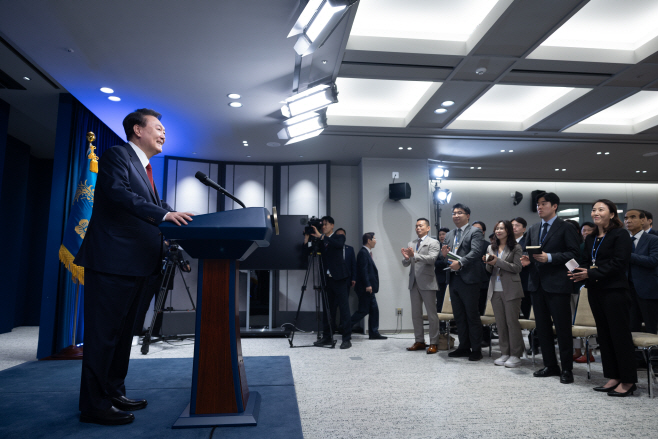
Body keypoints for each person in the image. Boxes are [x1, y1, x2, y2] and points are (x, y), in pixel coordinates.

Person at [74, 109, 194, 425]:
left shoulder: (146, 169)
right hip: (113, 263)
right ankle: (94, 405)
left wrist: (179, 217)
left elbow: (156, 207)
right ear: (137, 130)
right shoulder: (118, 155)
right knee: (104, 336)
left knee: (123, 335)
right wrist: (164, 215)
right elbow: (117, 194)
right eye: (158, 127)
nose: (163, 133)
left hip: (139, 265)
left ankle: (113, 391)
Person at [569, 199, 637, 396]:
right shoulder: (591, 237)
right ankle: (613, 376)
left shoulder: (620, 234)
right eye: (593, 210)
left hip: (615, 291)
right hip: (595, 291)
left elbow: (619, 263)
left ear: (612, 214)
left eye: (601, 209)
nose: (595, 213)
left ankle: (628, 380)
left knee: (619, 336)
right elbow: (585, 261)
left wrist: (590, 273)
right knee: (605, 336)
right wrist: (578, 271)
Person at [521, 192, 580, 384]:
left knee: (562, 329)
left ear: (555, 206)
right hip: (537, 284)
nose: (539, 207)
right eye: (538, 204)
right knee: (543, 328)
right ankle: (550, 365)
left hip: (558, 284)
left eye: (544, 204)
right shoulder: (533, 228)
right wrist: (525, 259)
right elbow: (527, 251)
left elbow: (573, 254)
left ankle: (567, 369)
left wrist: (551, 257)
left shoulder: (566, 227)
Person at [437, 204, 484, 361]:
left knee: (472, 315)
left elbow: (476, 252)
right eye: (454, 213)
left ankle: (476, 349)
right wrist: (444, 255)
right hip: (454, 279)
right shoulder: (450, 234)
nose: (456, 215)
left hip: (469, 279)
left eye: (459, 213)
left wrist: (461, 263)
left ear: (468, 215)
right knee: (458, 316)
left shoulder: (475, 231)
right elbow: (448, 256)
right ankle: (463, 346)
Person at [484, 221, 524, 368]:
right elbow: (490, 270)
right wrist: (488, 263)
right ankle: (505, 353)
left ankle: (515, 354)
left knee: (511, 323)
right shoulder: (490, 247)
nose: (499, 231)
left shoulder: (516, 247)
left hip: (511, 289)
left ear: (508, 230)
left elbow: (517, 268)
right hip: (495, 289)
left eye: (502, 228)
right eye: (497, 228)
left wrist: (497, 261)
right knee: (500, 323)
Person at [309, 216, 352, 349]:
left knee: (344, 309)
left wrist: (321, 237)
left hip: (340, 278)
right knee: (328, 310)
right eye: (322, 225)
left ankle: (346, 339)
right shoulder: (322, 240)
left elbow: (338, 245)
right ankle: (327, 337)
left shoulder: (339, 236)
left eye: (326, 225)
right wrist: (308, 238)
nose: (324, 227)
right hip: (327, 280)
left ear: (332, 225)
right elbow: (311, 252)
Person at [401, 218, 441, 354]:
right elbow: (407, 263)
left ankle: (434, 342)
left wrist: (415, 255)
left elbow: (432, 259)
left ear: (428, 228)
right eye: (416, 226)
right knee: (416, 314)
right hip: (414, 282)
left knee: (432, 315)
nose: (418, 228)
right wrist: (406, 258)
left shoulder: (434, 242)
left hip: (428, 282)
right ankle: (419, 341)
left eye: (421, 226)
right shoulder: (411, 243)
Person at [624, 209, 658, 334]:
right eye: (626, 218)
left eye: (633, 217)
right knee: (632, 327)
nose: (628, 221)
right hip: (627, 290)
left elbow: (653, 261)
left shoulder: (653, 239)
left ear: (643, 220)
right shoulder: (623, 240)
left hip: (648, 290)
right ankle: (636, 354)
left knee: (651, 328)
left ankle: (654, 354)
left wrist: (628, 255)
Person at [350, 232, 387, 339]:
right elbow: (363, 271)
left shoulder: (367, 253)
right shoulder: (363, 253)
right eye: (374, 239)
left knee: (374, 310)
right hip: (365, 288)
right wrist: (368, 285)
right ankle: (345, 326)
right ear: (369, 241)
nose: (375, 241)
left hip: (369, 288)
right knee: (363, 310)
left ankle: (374, 332)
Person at [472, 221, 492, 347]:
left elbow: (490, 264)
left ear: (483, 232)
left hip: (483, 282)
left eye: (479, 230)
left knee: (482, 311)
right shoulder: (468, 244)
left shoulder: (488, 246)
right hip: (469, 282)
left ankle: (485, 337)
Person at [335, 228, 356, 333]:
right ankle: (332, 328)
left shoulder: (350, 249)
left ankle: (342, 327)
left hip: (346, 280)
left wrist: (353, 278)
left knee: (344, 305)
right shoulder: (332, 248)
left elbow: (353, 265)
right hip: (333, 280)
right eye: (338, 235)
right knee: (334, 305)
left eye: (342, 235)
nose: (340, 237)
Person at [434, 227, 450, 311]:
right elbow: (434, 262)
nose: (441, 236)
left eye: (443, 234)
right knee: (440, 301)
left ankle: (453, 323)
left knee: (451, 302)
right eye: (440, 235)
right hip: (440, 278)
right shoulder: (436, 247)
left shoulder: (452, 246)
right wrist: (445, 261)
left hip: (451, 278)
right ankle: (441, 324)